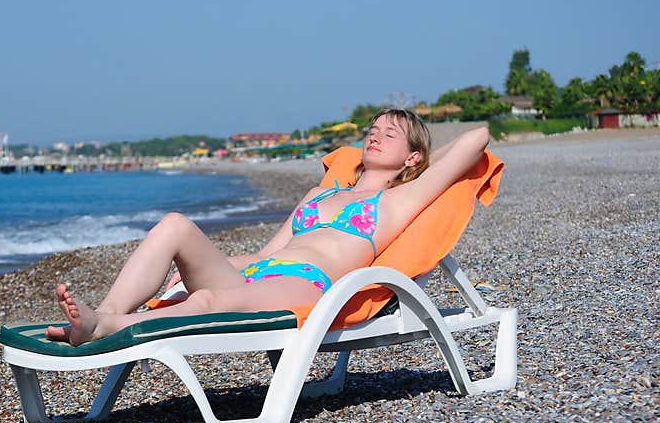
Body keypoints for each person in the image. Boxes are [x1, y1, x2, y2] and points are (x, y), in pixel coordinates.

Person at [47, 108, 490, 346]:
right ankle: (103, 314)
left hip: (307, 286)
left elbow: (478, 138)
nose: (374, 136)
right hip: (261, 273)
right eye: (372, 130)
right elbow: (264, 253)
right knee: (174, 225)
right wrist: (192, 270)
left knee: (206, 299)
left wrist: (420, 152)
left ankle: (113, 328)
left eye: (389, 135)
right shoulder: (320, 195)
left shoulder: (396, 200)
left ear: (413, 158)